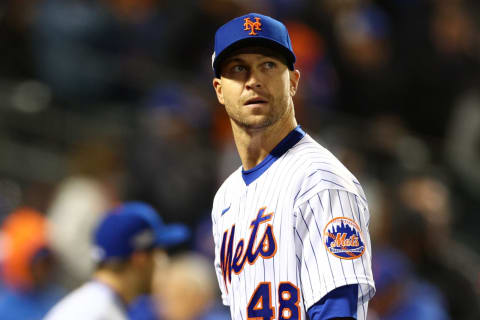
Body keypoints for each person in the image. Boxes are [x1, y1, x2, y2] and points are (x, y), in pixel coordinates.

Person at [210, 13, 375, 320]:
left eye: (268, 65)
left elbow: (337, 312)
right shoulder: (225, 199)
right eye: (238, 68)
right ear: (220, 90)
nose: (254, 80)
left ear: (294, 82)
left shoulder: (321, 180)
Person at [44, 201, 189, 320]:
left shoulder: (94, 305)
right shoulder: (95, 312)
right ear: (140, 259)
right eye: (159, 253)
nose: (164, 262)